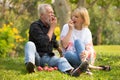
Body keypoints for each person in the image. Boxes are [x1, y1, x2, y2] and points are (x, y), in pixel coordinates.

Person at [24, 4, 89, 77]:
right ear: (42, 15)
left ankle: (71, 71)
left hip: (47, 58)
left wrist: (61, 53)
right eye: (50, 13)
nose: (52, 15)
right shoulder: (35, 26)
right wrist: (52, 28)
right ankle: (30, 65)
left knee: (61, 60)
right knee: (29, 44)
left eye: (53, 13)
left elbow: (54, 42)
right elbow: (43, 42)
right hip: (36, 57)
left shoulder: (49, 27)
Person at [60, 7, 110, 75]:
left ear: (83, 19)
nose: (73, 18)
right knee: (68, 54)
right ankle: (89, 67)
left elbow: (90, 49)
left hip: (85, 57)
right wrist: (70, 30)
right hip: (70, 57)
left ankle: (84, 65)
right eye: (73, 16)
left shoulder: (87, 31)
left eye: (76, 17)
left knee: (78, 42)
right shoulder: (66, 27)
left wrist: (86, 53)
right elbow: (64, 45)